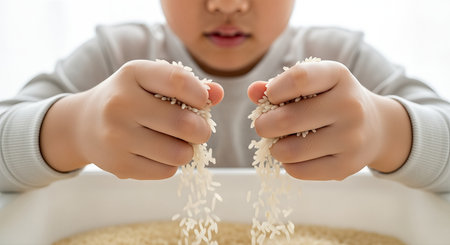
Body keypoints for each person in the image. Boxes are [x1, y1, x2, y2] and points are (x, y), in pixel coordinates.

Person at [0, 0, 449, 193]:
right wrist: (72, 127)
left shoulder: (342, 58)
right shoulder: (114, 56)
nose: (226, 3)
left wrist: (390, 130)